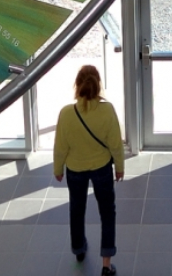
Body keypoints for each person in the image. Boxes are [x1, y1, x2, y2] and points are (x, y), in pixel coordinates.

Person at [53, 65, 125, 275]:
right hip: (102, 168)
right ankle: (106, 264)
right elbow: (115, 144)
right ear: (98, 84)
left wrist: (58, 169)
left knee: (77, 209)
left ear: (77, 85)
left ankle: (79, 249)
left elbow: (60, 147)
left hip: (75, 169)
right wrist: (119, 167)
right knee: (107, 212)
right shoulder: (107, 110)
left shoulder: (66, 113)